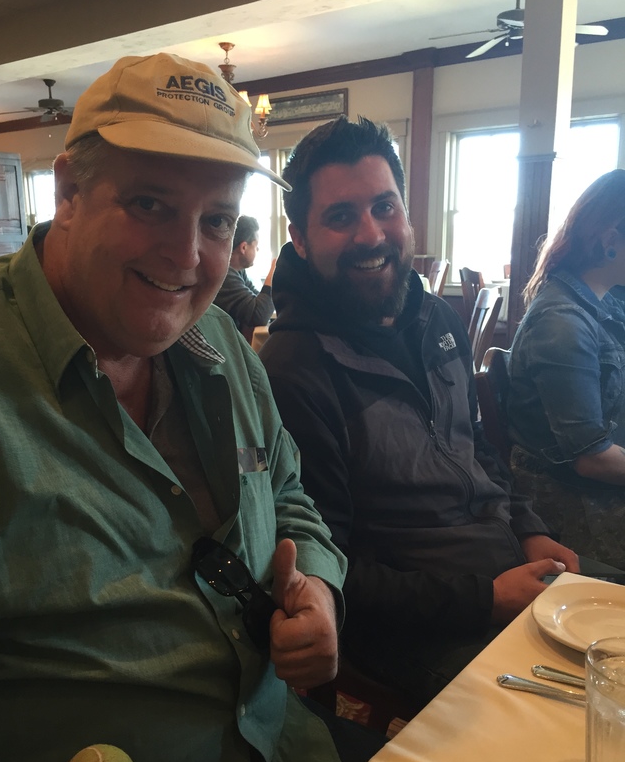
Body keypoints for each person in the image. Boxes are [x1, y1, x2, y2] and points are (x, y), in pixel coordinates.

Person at [0, 53, 354, 762]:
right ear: (68, 190)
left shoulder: (224, 344)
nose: (188, 255)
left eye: (217, 222)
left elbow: (286, 490)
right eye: (150, 205)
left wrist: (316, 584)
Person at [259, 115, 578, 711]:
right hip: (413, 623)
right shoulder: (294, 368)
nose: (371, 234)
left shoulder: (437, 320)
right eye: (340, 217)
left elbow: (478, 450)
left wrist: (529, 527)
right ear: (299, 238)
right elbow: (330, 565)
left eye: (385, 207)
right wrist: (486, 599)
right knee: (564, 720)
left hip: (506, 564)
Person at [507, 169, 625, 568]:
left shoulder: (605, 302)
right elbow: (591, 458)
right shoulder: (563, 322)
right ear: (611, 240)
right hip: (573, 503)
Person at [214, 215, 276, 338]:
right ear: (243, 247)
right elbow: (258, 316)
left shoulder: (238, 272)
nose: (258, 249)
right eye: (256, 246)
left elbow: (257, 300)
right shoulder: (225, 275)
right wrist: (273, 275)